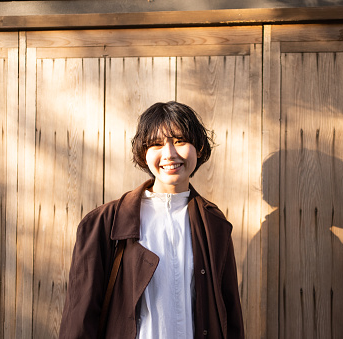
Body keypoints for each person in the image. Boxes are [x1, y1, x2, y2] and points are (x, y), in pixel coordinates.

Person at [59, 101, 244, 339]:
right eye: (156, 144)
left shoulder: (214, 224)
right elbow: (79, 319)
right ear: (143, 154)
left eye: (180, 141)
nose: (169, 154)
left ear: (198, 148)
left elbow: (231, 316)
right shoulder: (104, 223)